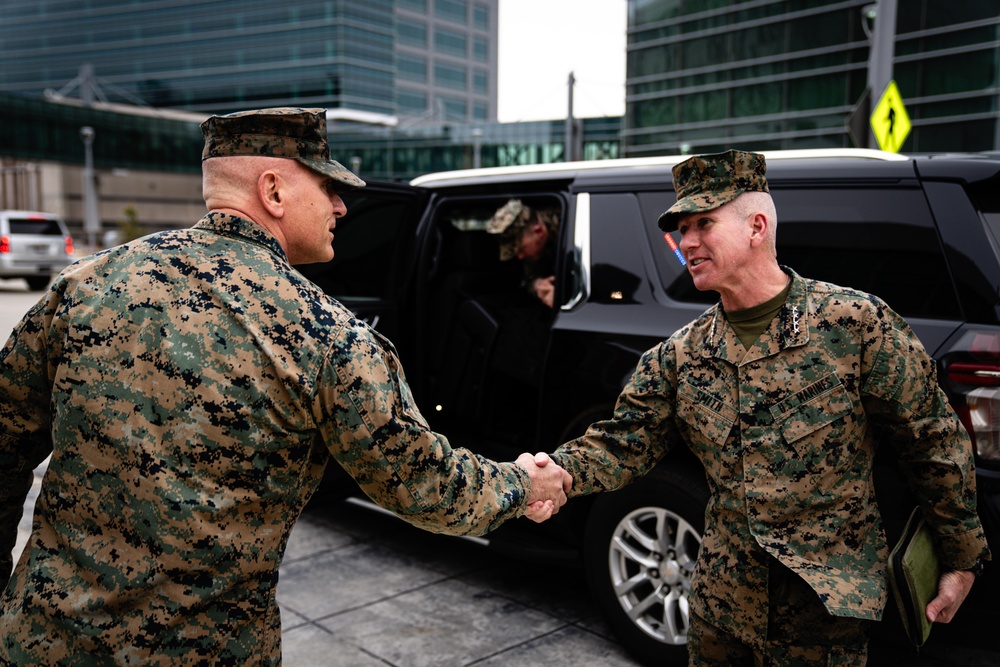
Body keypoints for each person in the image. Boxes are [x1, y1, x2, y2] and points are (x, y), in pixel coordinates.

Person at [0, 107, 571, 665]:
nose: (344, 206)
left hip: (44, 640)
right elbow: (425, 486)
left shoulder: (83, 286)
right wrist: (523, 484)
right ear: (273, 191)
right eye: (328, 187)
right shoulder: (329, 336)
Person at [530, 149, 991, 664]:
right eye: (681, 228)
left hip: (826, 616)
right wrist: (553, 475)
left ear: (756, 225)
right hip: (720, 613)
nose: (686, 241)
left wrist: (961, 558)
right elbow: (620, 446)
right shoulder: (678, 356)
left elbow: (932, 441)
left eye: (704, 223)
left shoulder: (856, 324)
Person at [487, 198, 559, 308]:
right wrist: (537, 284)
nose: (520, 257)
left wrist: (563, 295)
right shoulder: (532, 251)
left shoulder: (571, 226)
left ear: (539, 232)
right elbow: (529, 278)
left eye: (521, 249)